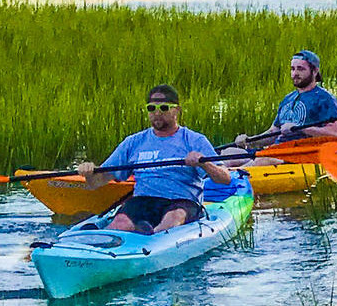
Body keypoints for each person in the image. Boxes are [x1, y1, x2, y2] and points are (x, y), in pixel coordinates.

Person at [82, 85, 234, 234]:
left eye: (164, 108)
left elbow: (225, 179)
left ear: (177, 110)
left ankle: (153, 237)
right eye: (151, 108)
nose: (157, 113)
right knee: (121, 222)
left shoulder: (195, 140)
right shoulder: (133, 142)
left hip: (182, 202)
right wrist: (89, 172)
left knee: (174, 218)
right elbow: (96, 183)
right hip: (144, 201)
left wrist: (204, 163)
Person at [246, 49, 337, 146]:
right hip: (277, 150)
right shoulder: (288, 98)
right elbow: (273, 133)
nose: (295, 73)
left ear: (315, 71)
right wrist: (249, 140)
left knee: (263, 161)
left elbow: (335, 134)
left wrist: (301, 128)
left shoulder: (325, 99)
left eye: (300, 69)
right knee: (230, 152)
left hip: (301, 152)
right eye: (293, 69)